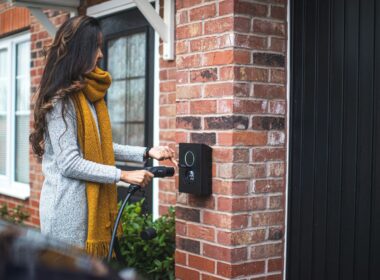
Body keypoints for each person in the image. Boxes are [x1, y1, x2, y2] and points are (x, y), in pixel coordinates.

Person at [29, 16, 176, 258]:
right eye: (95, 47)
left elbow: (102, 146)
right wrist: (123, 175)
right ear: (79, 50)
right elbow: (70, 163)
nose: (100, 54)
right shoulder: (61, 101)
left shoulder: (88, 97)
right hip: (68, 216)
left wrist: (147, 152)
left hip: (89, 212)